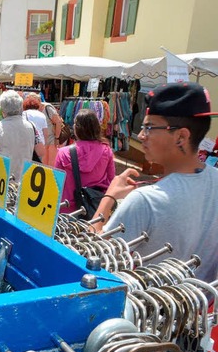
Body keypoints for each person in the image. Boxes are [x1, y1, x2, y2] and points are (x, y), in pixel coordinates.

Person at [93, 82, 218, 281]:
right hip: (201, 309)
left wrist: (109, 198)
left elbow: (93, 261)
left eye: (149, 127)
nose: (141, 135)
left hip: (147, 309)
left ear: (181, 136)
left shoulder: (146, 200)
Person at [54, 109, 115, 213]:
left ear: (77, 128)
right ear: (97, 128)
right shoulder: (106, 151)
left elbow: (56, 184)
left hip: (67, 209)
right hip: (95, 209)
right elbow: (111, 182)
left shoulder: (63, 153)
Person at [0, 90, 39, 181]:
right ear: (20, 107)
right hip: (25, 180)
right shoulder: (32, 127)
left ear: (2, 109)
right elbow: (41, 152)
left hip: (2, 182)